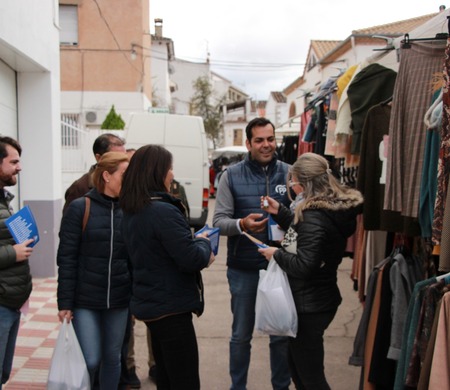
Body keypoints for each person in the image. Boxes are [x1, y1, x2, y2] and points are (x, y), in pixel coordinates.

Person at [258, 152, 363, 389]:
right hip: (315, 299)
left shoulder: (313, 215)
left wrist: (276, 254)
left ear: (304, 183)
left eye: (292, 182)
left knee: (311, 377)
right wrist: (281, 213)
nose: (291, 186)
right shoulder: (323, 210)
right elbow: (304, 236)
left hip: (310, 305)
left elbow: (305, 264)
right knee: (299, 369)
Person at [120, 144, 215, 390]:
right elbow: (190, 258)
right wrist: (204, 246)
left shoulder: (133, 209)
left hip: (153, 305)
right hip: (170, 308)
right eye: (170, 168)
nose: (172, 173)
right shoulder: (161, 211)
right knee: (184, 381)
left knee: (167, 378)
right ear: (158, 171)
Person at [212, 117, 292, 390]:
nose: (266, 145)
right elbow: (219, 222)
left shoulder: (291, 174)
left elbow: (304, 220)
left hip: (281, 267)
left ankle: (281, 386)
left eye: (270, 139)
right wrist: (241, 224)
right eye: (259, 140)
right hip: (243, 268)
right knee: (240, 335)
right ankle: (238, 387)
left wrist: (285, 217)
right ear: (248, 143)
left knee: (280, 335)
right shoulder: (231, 176)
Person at [57, 152, 131, 390]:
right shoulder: (80, 208)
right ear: (107, 175)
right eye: (124, 174)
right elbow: (66, 258)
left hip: (119, 300)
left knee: (113, 359)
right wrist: (65, 302)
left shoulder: (130, 211)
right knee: (90, 359)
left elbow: (135, 259)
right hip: (85, 300)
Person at [0, 137, 34, 390]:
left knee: (3, 373)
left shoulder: (4, 199)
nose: (19, 167)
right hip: (2, 301)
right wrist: (13, 253)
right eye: (14, 162)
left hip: (11, 301)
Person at [63, 133, 126, 213]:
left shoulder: (128, 186)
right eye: (116, 158)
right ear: (99, 158)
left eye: (124, 157)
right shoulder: (80, 188)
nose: (123, 162)